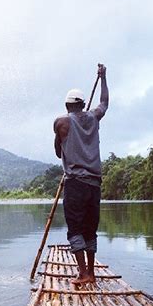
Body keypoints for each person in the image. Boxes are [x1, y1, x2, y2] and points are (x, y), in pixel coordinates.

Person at [53, 64, 109, 285]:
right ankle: (92, 274)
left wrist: (62, 139)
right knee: (90, 230)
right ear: (84, 104)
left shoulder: (62, 122)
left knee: (75, 229)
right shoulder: (94, 117)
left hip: (75, 184)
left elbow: (59, 152)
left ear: (67, 105)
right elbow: (104, 103)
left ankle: (83, 273)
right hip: (94, 184)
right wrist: (103, 77)